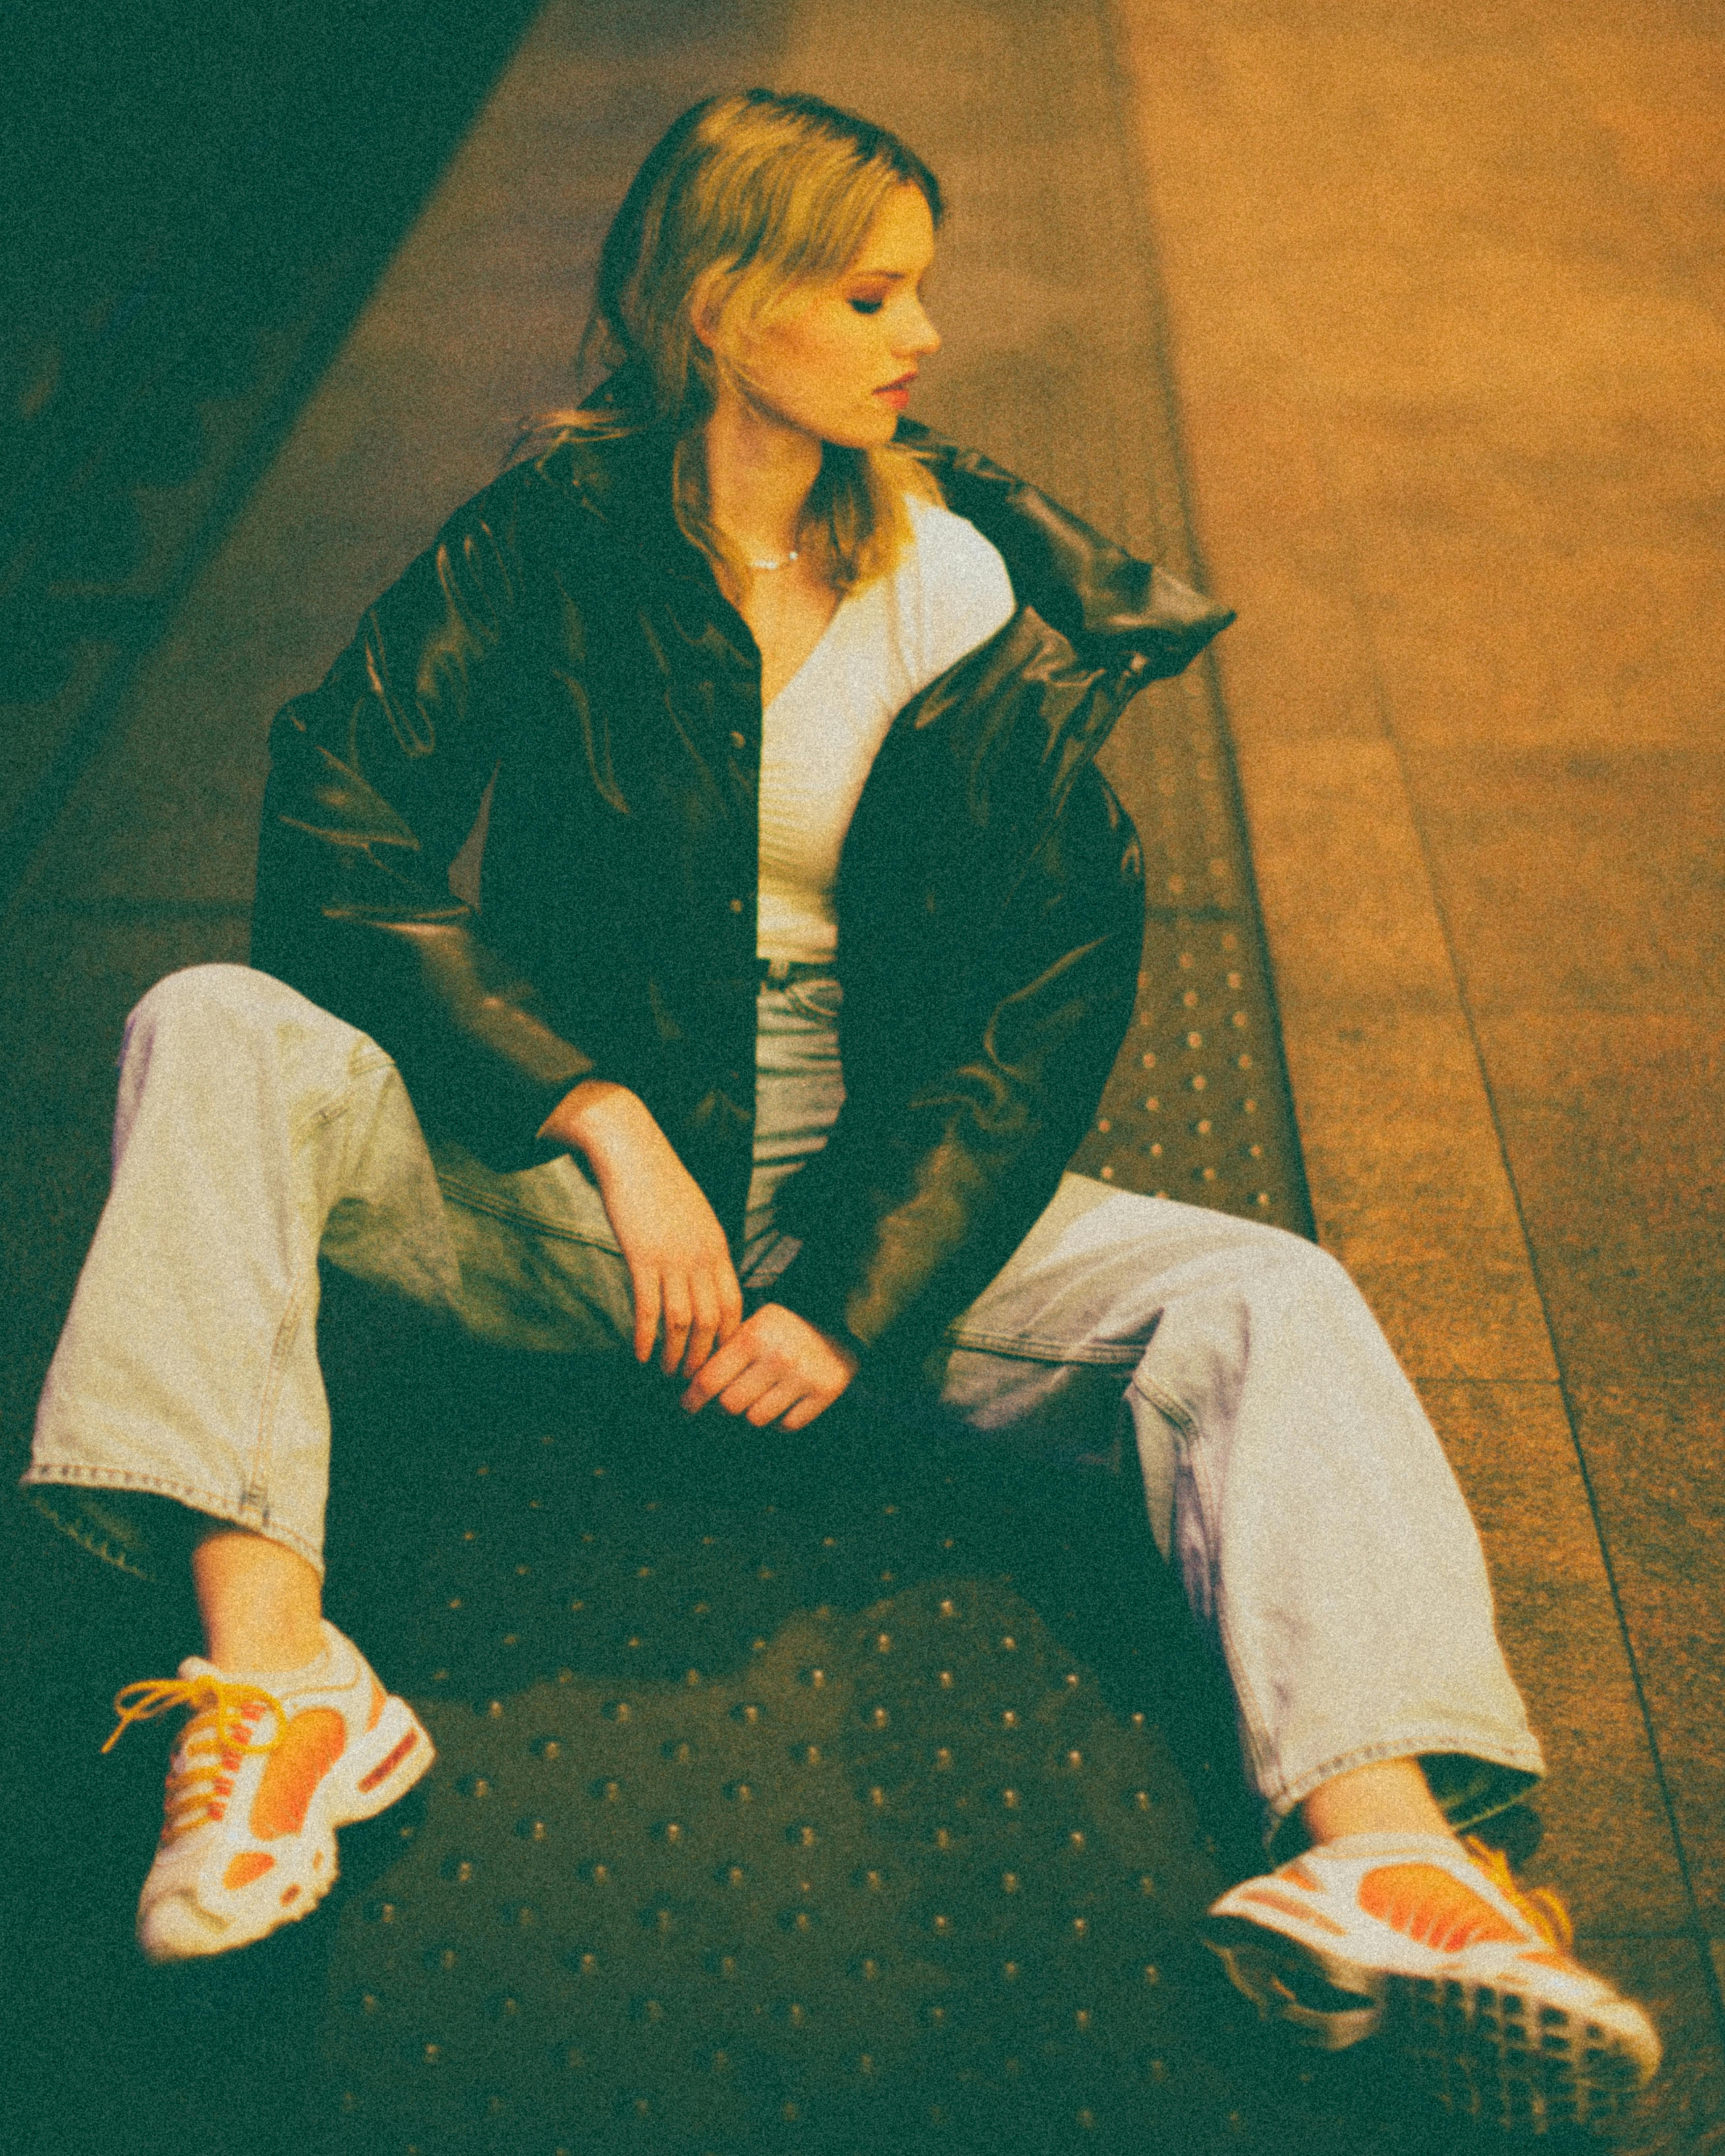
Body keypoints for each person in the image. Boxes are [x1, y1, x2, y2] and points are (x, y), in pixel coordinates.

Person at [23, 87, 1656, 2135]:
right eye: (870, 290)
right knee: (215, 1016)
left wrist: (853, 1297)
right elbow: (335, 820)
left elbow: (1038, 1003)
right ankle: (279, 1687)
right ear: (722, 310)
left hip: (863, 1217)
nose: (923, 337)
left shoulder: (972, 593)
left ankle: (1383, 1846)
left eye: (920, 291)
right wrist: (590, 1110)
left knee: (1266, 1296)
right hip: (570, 1208)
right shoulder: (549, 540)